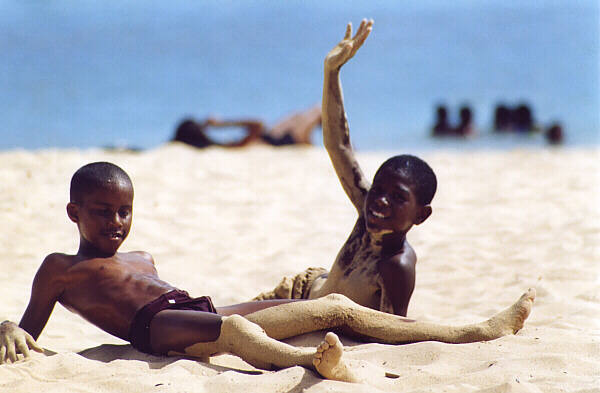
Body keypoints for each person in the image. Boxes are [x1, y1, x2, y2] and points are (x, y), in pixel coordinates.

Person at [0, 23, 535, 383]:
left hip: (195, 310)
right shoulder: (59, 269)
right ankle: (314, 363)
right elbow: (28, 328)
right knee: (235, 333)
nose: (115, 223)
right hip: (157, 331)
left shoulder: (141, 258)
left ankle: (476, 330)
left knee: (336, 308)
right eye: (101, 212)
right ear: (73, 213)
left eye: (123, 211)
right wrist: (7, 329)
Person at [172, 105, 322, 148]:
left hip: (276, 139)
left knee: (306, 114)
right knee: (315, 111)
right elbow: (258, 125)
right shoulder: (224, 147)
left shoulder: (217, 146)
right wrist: (220, 124)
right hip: (274, 141)